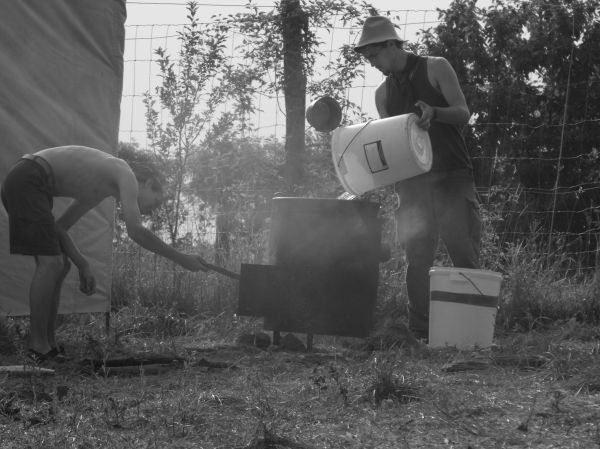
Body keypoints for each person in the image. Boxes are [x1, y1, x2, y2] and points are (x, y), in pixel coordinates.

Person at [1, 145, 210, 363]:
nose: (152, 209)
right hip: (28, 179)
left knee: (61, 265)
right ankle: (37, 346)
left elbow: (60, 228)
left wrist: (82, 264)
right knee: (51, 264)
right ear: (148, 183)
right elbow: (136, 231)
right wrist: (181, 258)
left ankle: (49, 345)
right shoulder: (124, 172)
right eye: (155, 201)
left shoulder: (97, 189)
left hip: (27, 182)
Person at [355, 16, 482, 340]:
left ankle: (471, 332)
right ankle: (421, 333)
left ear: (390, 45)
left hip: (452, 174)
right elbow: (393, 142)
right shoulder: (382, 94)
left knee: (461, 249)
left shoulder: (436, 67)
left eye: (374, 56)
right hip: (412, 184)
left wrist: (435, 113)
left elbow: (463, 112)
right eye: (368, 59)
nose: (373, 64)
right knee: (417, 256)